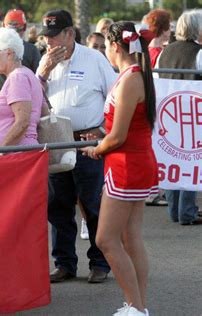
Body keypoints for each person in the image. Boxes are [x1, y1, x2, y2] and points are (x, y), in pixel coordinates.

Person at [81, 21, 158, 316]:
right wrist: (102, 139)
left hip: (126, 166)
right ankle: (138, 306)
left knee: (105, 239)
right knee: (130, 236)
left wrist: (97, 147)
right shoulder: (133, 75)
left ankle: (136, 308)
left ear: (114, 46)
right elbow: (121, 130)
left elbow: (118, 137)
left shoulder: (130, 79)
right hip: (132, 162)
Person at [36, 9, 116, 283]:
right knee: (58, 206)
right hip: (56, 141)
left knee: (92, 204)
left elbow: (116, 98)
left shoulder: (95, 59)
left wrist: (103, 130)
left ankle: (100, 263)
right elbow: (32, 100)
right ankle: (65, 263)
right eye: (46, 37)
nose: (50, 42)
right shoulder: (45, 62)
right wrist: (43, 73)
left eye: (55, 36)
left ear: (70, 34)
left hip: (86, 143)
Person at [158, 10, 201, 225]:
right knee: (191, 160)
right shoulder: (199, 52)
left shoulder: (164, 52)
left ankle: (175, 211)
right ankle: (187, 212)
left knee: (173, 159)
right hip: (193, 113)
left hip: (169, 112)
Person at [0, 28, 42, 158]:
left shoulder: (18, 77)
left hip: (13, 159)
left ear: (8, 53)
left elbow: (23, 122)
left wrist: (1, 153)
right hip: (17, 155)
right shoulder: (25, 74)